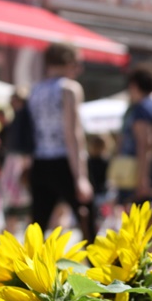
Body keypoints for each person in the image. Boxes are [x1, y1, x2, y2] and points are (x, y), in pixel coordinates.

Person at [28, 42, 96, 242]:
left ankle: (29, 272)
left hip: (39, 162)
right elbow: (73, 133)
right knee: (87, 222)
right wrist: (81, 177)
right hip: (64, 161)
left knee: (37, 227)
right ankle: (97, 271)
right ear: (68, 62)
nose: (79, 69)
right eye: (77, 63)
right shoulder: (69, 89)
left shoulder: (35, 90)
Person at [117, 64, 152, 245]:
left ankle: (147, 271)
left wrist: (142, 178)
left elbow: (145, 144)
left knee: (141, 230)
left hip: (143, 175)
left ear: (134, 85)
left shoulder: (142, 109)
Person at [0, 89, 34, 233]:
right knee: (15, 202)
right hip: (15, 161)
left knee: (21, 201)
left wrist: (25, 164)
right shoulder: (19, 115)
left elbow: (26, 142)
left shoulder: (24, 115)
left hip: (20, 161)